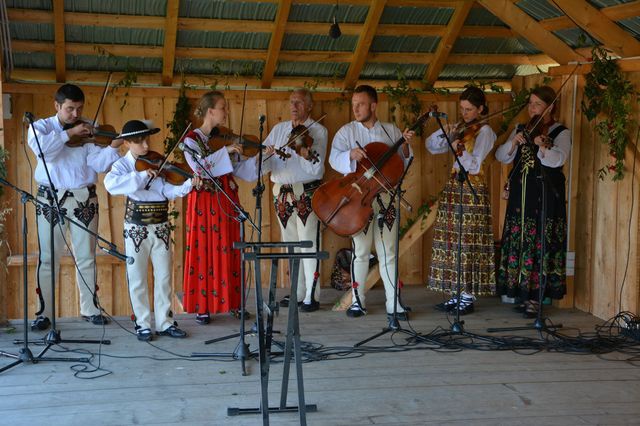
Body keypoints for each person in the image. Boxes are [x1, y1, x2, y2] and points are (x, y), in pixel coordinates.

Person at [27, 83, 123, 331]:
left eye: (79, 109)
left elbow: (98, 164)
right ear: (57, 105)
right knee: (47, 258)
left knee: (86, 257)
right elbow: (42, 151)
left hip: (83, 199)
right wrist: (68, 134)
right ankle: (44, 312)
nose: (75, 115)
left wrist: (112, 147)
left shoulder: (89, 128)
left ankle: (90, 309)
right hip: (50, 198)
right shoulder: (41, 128)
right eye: (70, 109)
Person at [104, 120, 198, 341]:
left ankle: (165, 322)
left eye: (147, 140)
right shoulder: (122, 166)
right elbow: (111, 184)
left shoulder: (156, 162)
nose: (146, 145)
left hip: (161, 225)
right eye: (139, 141)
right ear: (126, 143)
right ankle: (143, 323)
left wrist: (188, 184)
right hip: (136, 227)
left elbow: (167, 189)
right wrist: (141, 176)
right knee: (137, 278)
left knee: (164, 276)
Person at [328, 84, 414, 320]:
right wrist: (350, 156)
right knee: (361, 251)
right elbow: (334, 159)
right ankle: (358, 301)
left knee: (389, 251)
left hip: (385, 196)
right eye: (353, 104)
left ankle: (393, 303)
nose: (355, 108)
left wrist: (404, 146)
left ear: (374, 106)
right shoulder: (347, 132)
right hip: (359, 198)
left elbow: (402, 163)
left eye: (361, 104)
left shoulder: (390, 131)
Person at [182, 91, 263, 324]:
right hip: (205, 202)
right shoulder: (191, 140)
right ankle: (203, 306)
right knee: (204, 249)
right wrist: (225, 151)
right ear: (210, 112)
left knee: (230, 247)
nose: (226, 112)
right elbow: (201, 168)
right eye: (223, 107)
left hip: (226, 199)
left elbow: (242, 171)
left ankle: (233, 303)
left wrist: (258, 159)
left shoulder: (223, 139)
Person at [495, 86, 570, 317]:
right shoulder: (521, 129)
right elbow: (501, 156)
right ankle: (520, 292)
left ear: (550, 107)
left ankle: (536, 299)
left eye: (537, 104)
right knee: (520, 242)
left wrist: (542, 145)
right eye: (530, 104)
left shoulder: (560, 132)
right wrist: (514, 143)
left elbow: (558, 160)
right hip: (520, 196)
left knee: (539, 244)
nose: (532, 108)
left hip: (544, 197)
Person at [424, 87, 497, 315]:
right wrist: (446, 132)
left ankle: (468, 296)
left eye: (469, 109)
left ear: (481, 109)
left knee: (469, 241)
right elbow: (431, 147)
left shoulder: (485, 132)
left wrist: (458, 149)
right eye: (462, 109)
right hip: (455, 188)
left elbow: (474, 165)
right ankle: (456, 293)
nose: (464, 113)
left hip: (473, 189)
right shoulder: (462, 129)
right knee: (453, 241)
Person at [262, 88, 328, 312]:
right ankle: (297, 292)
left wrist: (303, 153)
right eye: (292, 102)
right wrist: (268, 154)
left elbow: (317, 168)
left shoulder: (317, 131)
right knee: (291, 246)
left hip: (306, 191)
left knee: (309, 243)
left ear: (309, 106)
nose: (294, 106)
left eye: (299, 102)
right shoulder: (279, 130)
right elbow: (265, 159)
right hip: (280, 192)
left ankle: (312, 294)